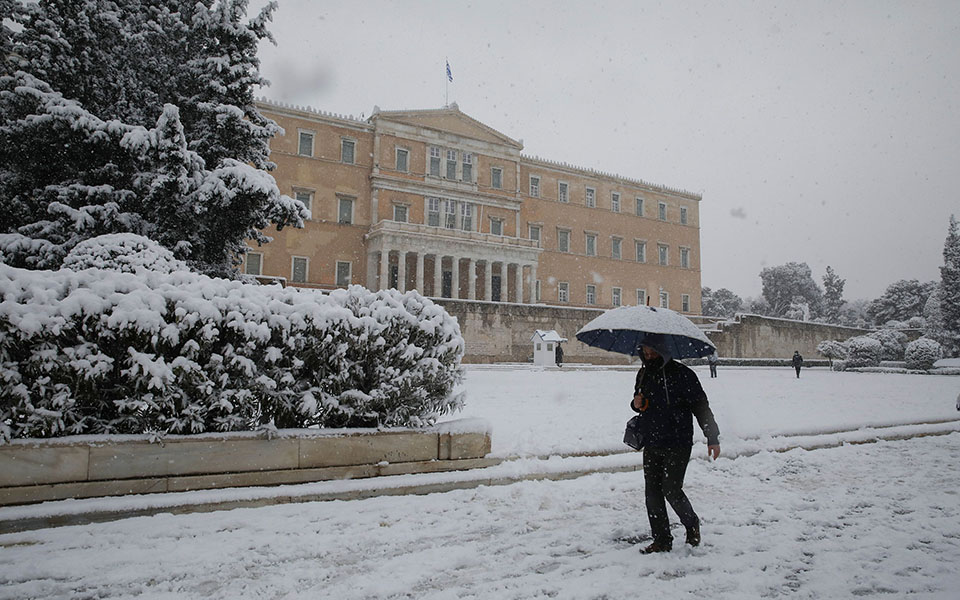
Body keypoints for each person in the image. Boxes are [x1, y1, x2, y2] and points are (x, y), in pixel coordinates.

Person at [632, 344, 721, 554]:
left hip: (677, 441)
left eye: (654, 351)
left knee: (671, 489)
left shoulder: (683, 374)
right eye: (645, 352)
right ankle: (662, 539)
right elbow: (639, 401)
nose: (649, 355)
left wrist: (712, 437)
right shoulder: (643, 373)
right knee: (652, 492)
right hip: (652, 440)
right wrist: (636, 403)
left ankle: (691, 524)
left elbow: (700, 406)